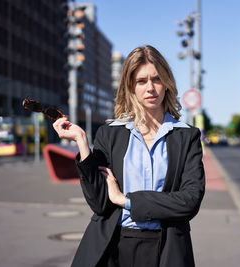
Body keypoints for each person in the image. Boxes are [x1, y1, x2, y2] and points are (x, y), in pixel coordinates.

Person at [52, 45, 205, 267]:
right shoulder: (110, 133)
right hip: (113, 246)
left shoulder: (186, 136)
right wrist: (83, 143)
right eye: (141, 81)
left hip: (167, 248)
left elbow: (189, 201)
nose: (150, 88)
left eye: (157, 79)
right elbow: (101, 203)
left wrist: (126, 200)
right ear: (131, 86)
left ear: (167, 83)